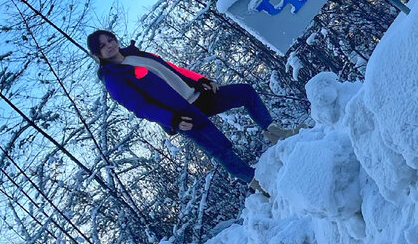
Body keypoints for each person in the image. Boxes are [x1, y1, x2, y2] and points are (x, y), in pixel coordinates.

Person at [87, 29, 295, 189]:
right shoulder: (113, 78)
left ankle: (273, 131)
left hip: (198, 96)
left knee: (245, 92)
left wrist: (202, 80)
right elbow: (140, 107)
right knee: (219, 149)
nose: (109, 46)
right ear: (97, 54)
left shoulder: (135, 54)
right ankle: (256, 182)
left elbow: (173, 70)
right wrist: (172, 120)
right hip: (183, 115)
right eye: (103, 46)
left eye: (110, 40)